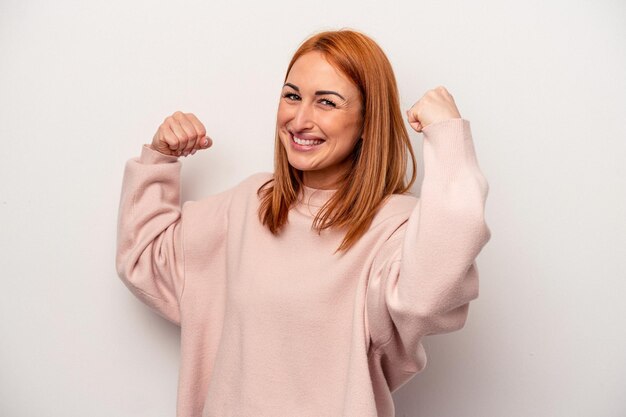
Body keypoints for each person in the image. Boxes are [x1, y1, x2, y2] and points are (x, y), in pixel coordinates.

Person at [116, 28, 491, 417]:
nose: (300, 119)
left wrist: (448, 138)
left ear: (367, 121)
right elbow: (144, 260)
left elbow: (427, 296)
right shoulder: (251, 202)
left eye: (326, 102)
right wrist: (159, 160)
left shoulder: (394, 226)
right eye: (292, 96)